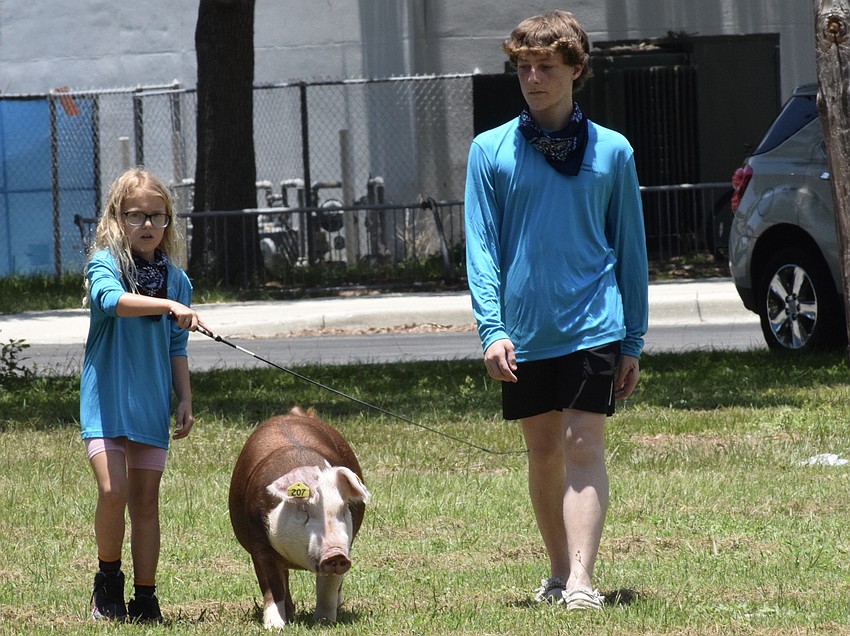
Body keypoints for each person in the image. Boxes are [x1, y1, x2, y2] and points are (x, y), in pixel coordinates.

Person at [464, 11, 648, 610]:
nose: (534, 78)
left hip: (595, 321)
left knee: (582, 443)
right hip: (522, 332)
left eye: (547, 66)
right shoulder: (488, 151)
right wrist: (491, 329)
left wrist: (633, 341)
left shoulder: (613, 152)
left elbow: (630, 249)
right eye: (524, 67)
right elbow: (483, 248)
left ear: (576, 69)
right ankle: (556, 569)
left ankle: (582, 583)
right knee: (542, 449)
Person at [80, 167, 208, 623]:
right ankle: (107, 584)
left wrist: (185, 398)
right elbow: (113, 302)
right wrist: (171, 307)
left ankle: (147, 598)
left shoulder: (178, 281)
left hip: (150, 402)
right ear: (117, 218)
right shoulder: (104, 265)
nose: (149, 225)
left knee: (146, 502)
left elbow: (176, 347)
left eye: (158, 216)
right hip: (107, 399)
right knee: (114, 490)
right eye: (137, 216)